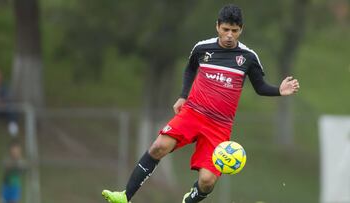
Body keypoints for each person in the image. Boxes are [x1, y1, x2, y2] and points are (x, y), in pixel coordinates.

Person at [102, 4, 300, 203]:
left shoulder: (248, 57)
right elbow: (190, 69)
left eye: (234, 30)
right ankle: (125, 196)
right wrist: (182, 96)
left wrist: (279, 91)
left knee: (206, 181)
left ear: (241, 29)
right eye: (225, 29)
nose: (230, 35)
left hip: (219, 126)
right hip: (193, 113)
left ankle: (192, 197)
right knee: (158, 147)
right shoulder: (202, 48)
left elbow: (260, 87)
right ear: (217, 27)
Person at [0, 68, 18, 136]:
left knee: (11, 109)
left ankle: (13, 127)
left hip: (3, 107)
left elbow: (7, 97)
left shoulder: (4, 86)